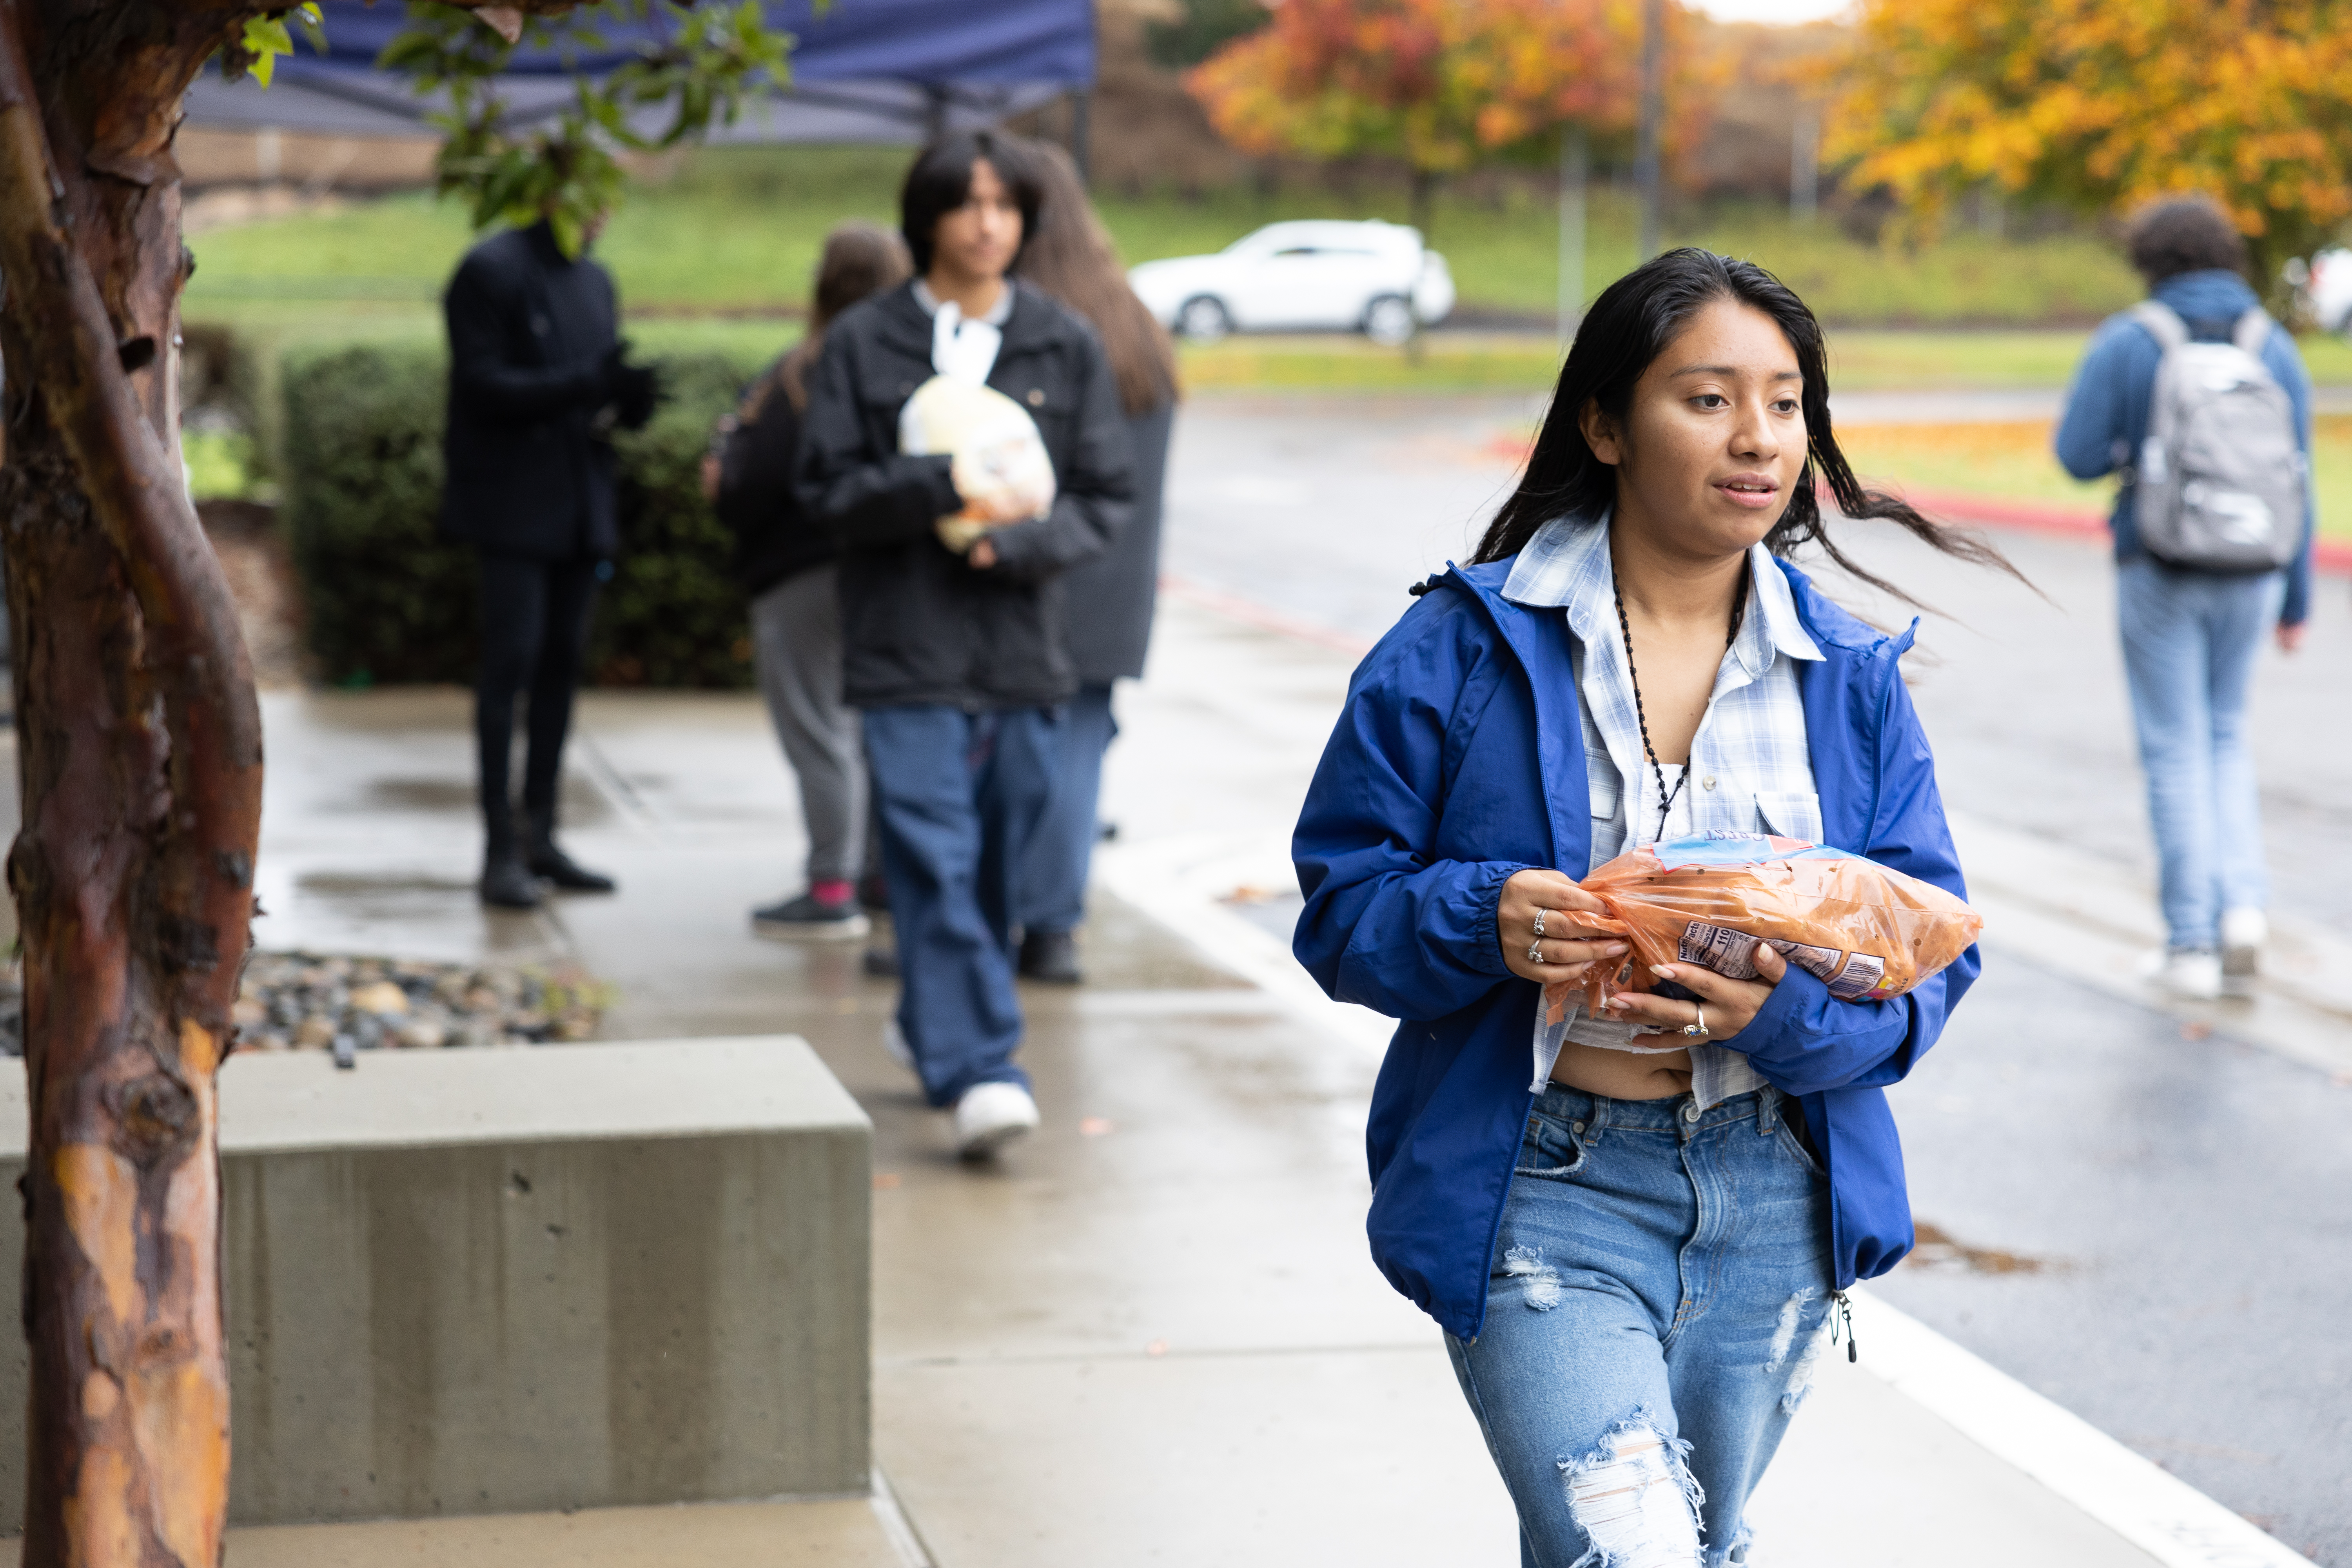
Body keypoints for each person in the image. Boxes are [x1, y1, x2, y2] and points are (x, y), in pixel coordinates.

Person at [1292, 249, 2007, 1566]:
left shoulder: (1845, 675)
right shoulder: (1458, 649)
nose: (1759, 440)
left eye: (1786, 404)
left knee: (1692, 1545)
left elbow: (1930, 958)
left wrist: (1781, 1014)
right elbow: (1342, 912)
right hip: (1540, 1186)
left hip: (1773, 1195)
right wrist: (1483, 918)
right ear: (1606, 424)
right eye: (1710, 399)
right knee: (1633, 1550)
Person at [796, 131, 1133, 1158]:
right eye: (965, 203)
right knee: (935, 859)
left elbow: (1105, 494)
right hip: (905, 651)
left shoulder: (1062, 343)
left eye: (1004, 204)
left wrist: (1021, 543)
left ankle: (935, 1019)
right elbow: (824, 495)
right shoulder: (865, 344)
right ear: (927, 218)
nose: (987, 222)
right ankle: (983, 1065)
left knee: (996, 861)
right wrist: (939, 489)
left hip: (1021, 652)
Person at [2054, 196, 2313, 1001]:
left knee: (2174, 747)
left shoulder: (2134, 339)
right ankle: (2244, 910)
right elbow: (2295, 478)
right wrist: (2295, 599)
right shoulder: (2274, 344)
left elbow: (2077, 453)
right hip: (2255, 571)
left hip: (2161, 566)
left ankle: (2191, 941)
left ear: (2150, 259)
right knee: (2226, 735)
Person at [443, 210, 661, 910]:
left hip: (579, 505)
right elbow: (480, 384)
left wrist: (627, 401)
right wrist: (584, 383)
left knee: (562, 666)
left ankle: (544, 834)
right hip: (513, 508)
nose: (601, 213)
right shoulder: (490, 270)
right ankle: (499, 848)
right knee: (511, 665)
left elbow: (590, 391)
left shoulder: (595, 280)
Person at [1007, 139, 1181, 984]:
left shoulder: (1033, 326)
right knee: (1076, 751)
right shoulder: (1132, 320)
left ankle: (1014, 915)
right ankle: (1053, 924)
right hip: (1115, 585)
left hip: (1036, 578)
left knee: (1008, 760)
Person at [708, 222, 911, 940]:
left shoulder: (801, 373)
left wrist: (722, 475)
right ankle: (879, 876)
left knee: (819, 730)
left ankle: (831, 888)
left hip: (802, 573)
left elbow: (756, 482)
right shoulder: (907, 371)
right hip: (884, 574)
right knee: (867, 732)